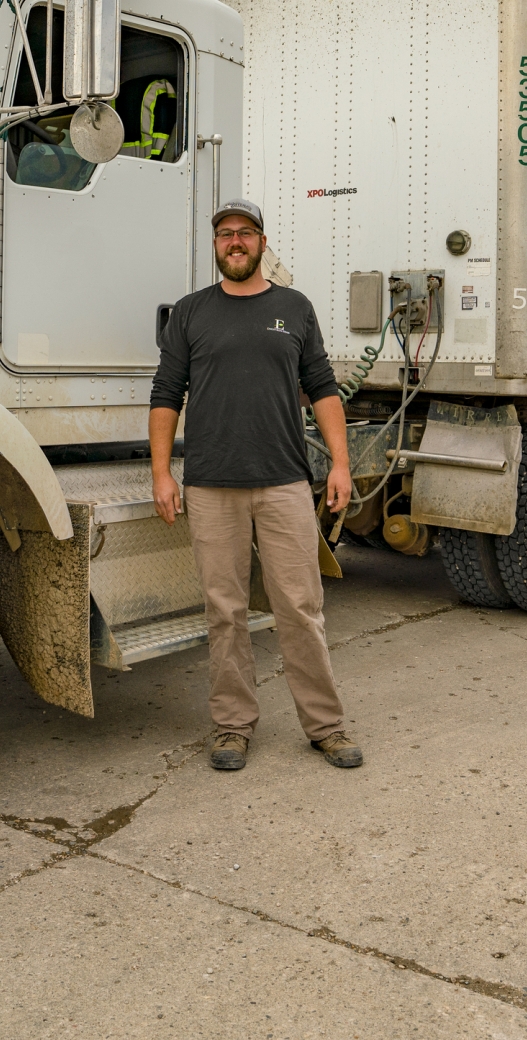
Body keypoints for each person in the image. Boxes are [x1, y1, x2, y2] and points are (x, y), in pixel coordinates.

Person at [149, 200, 363, 773]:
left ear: (263, 242)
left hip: (285, 483)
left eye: (244, 232)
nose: (235, 241)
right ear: (215, 246)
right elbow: (166, 394)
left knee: (300, 607)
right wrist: (162, 472)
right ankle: (232, 725)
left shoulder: (294, 308)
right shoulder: (191, 314)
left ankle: (326, 725)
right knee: (226, 610)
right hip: (212, 485)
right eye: (225, 234)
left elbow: (322, 388)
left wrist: (339, 465)